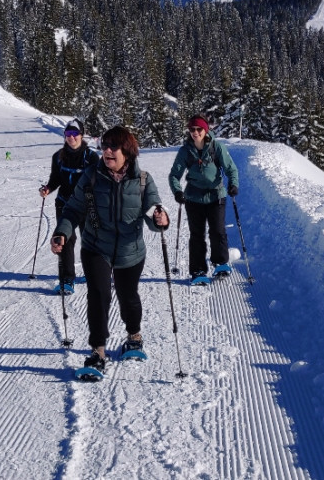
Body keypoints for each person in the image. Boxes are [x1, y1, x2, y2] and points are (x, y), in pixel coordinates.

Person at [51, 126, 169, 372]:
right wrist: (62, 231)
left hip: (130, 251)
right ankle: (97, 351)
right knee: (98, 295)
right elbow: (73, 209)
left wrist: (160, 218)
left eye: (113, 147)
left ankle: (134, 337)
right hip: (96, 247)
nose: (107, 151)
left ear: (127, 151)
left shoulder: (143, 180)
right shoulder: (92, 177)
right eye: (104, 146)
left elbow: (152, 209)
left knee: (128, 296)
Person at [168, 113, 239, 282]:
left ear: (205, 130)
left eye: (199, 129)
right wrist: (177, 191)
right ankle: (198, 270)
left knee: (218, 231)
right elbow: (174, 175)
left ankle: (221, 263)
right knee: (197, 235)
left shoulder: (217, 147)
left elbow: (231, 169)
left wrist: (233, 184)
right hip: (193, 198)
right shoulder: (186, 151)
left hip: (216, 195)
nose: (195, 132)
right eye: (192, 129)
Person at [39, 121, 99, 294]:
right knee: (65, 239)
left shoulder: (91, 157)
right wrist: (48, 189)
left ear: (81, 135)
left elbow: (99, 182)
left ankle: (94, 272)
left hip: (87, 205)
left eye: (75, 133)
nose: (71, 137)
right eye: (68, 133)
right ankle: (67, 279)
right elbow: (55, 179)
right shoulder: (58, 156)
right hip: (65, 204)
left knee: (91, 240)